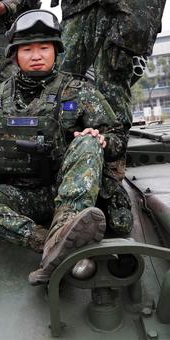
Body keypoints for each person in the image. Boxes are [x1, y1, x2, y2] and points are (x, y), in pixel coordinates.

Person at [0, 10, 127, 285]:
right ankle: (48, 242)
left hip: (66, 191)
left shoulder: (78, 91)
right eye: (28, 49)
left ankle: (66, 222)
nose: (36, 55)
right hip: (21, 195)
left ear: (55, 52)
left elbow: (117, 136)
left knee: (88, 140)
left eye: (44, 48)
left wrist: (103, 139)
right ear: (15, 54)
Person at [54, 0, 165, 236]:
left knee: (112, 89)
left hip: (128, 10)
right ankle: (66, 181)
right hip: (79, 9)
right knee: (62, 86)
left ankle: (111, 188)